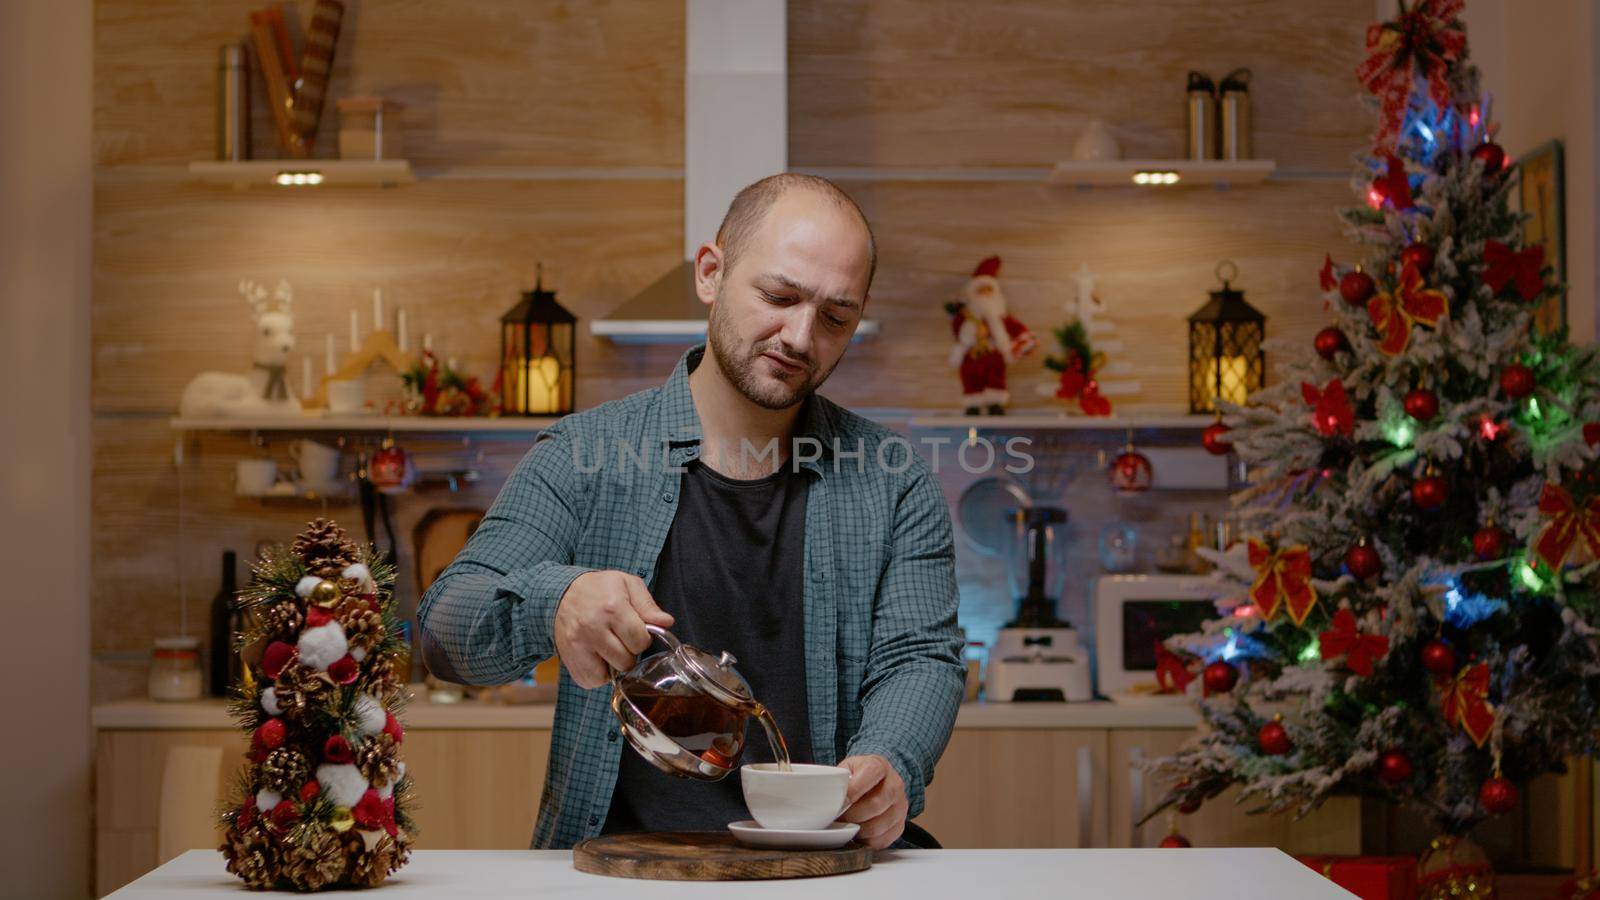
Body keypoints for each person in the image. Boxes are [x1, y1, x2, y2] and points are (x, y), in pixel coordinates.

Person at [418, 173, 965, 850]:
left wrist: (891, 760)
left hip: (825, 871)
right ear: (711, 273)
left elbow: (921, 658)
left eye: (835, 317)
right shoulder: (583, 453)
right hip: (621, 873)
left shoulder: (894, 478)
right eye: (779, 295)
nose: (799, 336)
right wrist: (554, 603)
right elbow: (443, 632)